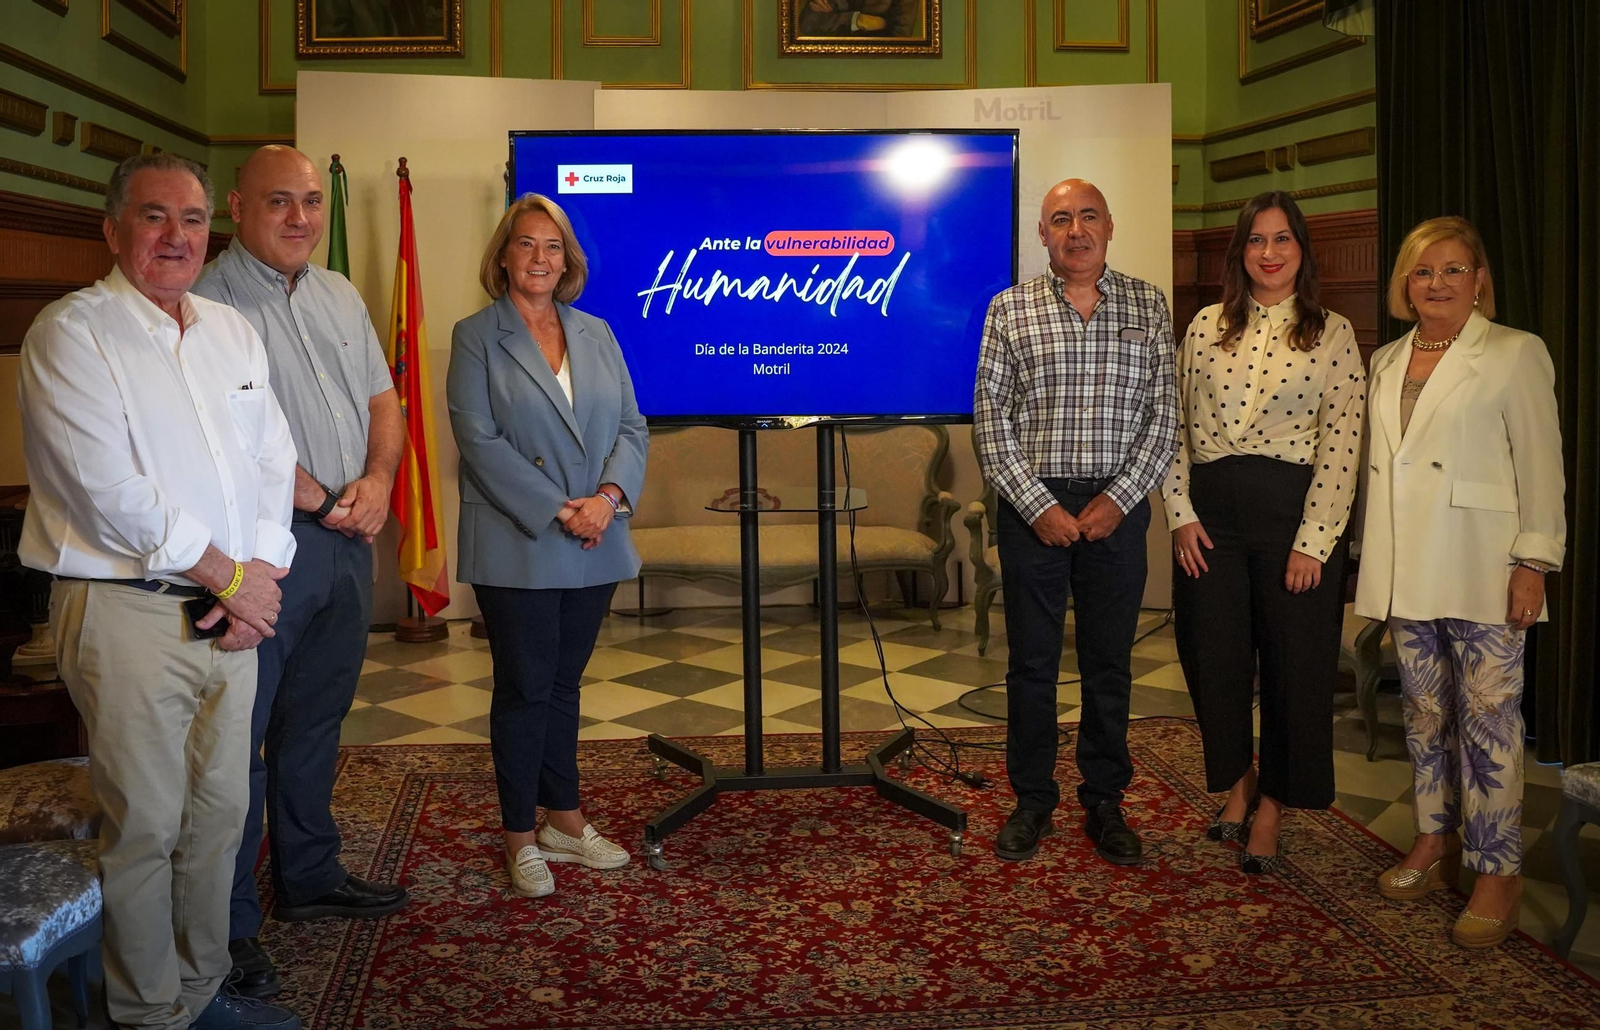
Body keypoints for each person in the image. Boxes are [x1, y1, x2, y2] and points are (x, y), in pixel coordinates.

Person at [18, 153, 302, 1029]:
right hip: (125, 609)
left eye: (190, 220)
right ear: (112, 230)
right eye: (153, 217)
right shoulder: (71, 332)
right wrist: (235, 579)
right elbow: (112, 493)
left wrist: (260, 575)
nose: (175, 237)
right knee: (145, 825)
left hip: (233, 615)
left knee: (219, 817)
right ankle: (148, 1016)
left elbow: (271, 458)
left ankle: (200, 989)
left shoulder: (229, 329)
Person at [193, 145, 409, 999]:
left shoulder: (339, 293)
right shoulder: (206, 303)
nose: (301, 218)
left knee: (318, 719)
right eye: (279, 202)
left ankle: (312, 879)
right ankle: (232, 923)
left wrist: (381, 481)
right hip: (257, 548)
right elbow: (230, 439)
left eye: (312, 202)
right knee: (238, 740)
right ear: (237, 209)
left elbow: (382, 401)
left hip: (350, 536)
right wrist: (324, 501)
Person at [1358, 216, 1565, 948]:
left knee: (1488, 728)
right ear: (1404, 286)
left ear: (1479, 278)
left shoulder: (1513, 353)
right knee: (1424, 719)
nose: (1437, 283)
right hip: (1410, 567)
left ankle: (1498, 873)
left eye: (1452, 269)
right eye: (1422, 272)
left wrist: (1533, 562)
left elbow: (1543, 466)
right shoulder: (1385, 361)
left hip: (1484, 566)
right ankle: (1434, 838)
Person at [447, 193, 648, 898]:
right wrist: (561, 511)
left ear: (569, 260)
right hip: (519, 538)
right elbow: (478, 442)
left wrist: (608, 501)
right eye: (527, 244)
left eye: (553, 246)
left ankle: (564, 821)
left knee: (565, 687)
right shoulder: (475, 335)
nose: (540, 258)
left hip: (596, 535)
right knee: (525, 688)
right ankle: (519, 837)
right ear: (503, 256)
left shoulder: (596, 332)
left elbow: (631, 427)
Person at [974, 178, 1180, 865]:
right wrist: (1038, 507)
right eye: (1060, 220)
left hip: (1117, 508)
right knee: (1031, 666)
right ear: (1043, 235)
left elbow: (1164, 418)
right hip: (1033, 506)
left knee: (1108, 664)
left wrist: (1120, 499)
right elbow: (991, 420)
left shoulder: (1148, 305)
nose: (1076, 230)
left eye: (1088, 216)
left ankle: (1105, 801)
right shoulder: (1009, 309)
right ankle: (1032, 800)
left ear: (1110, 226)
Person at [1161, 192, 1365, 874]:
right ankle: (1236, 786)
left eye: (1282, 239)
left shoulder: (1331, 330)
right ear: (1239, 251)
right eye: (1256, 240)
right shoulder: (1204, 326)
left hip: (1293, 512)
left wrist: (1316, 538)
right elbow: (1174, 429)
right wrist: (1180, 513)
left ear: (1302, 250)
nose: (1269, 252)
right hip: (1210, 515)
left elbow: (1344, 438)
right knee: (1212, 658)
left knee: (1293, 669)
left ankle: (1273, 805)